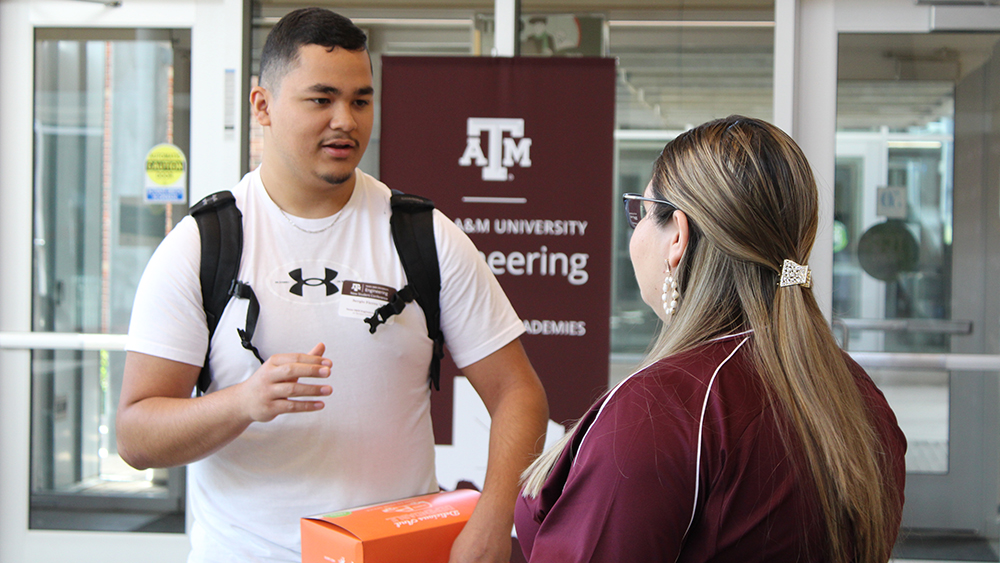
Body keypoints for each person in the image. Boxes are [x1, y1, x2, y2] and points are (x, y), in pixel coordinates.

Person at [116, 8, 548, 563]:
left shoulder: (422, 235)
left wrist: (493, 521)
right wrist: (244, 402)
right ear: (263, 106)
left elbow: (519, 393)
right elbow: (135, 435)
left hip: (397, 553)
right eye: (321, 100)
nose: (345, 119)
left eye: (360, 100)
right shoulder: (202, 246)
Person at [515, 116, 906, 562]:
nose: (635, 232)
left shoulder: (664, 408)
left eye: (640, 213)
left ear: (677, 236)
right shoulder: (857, 395)